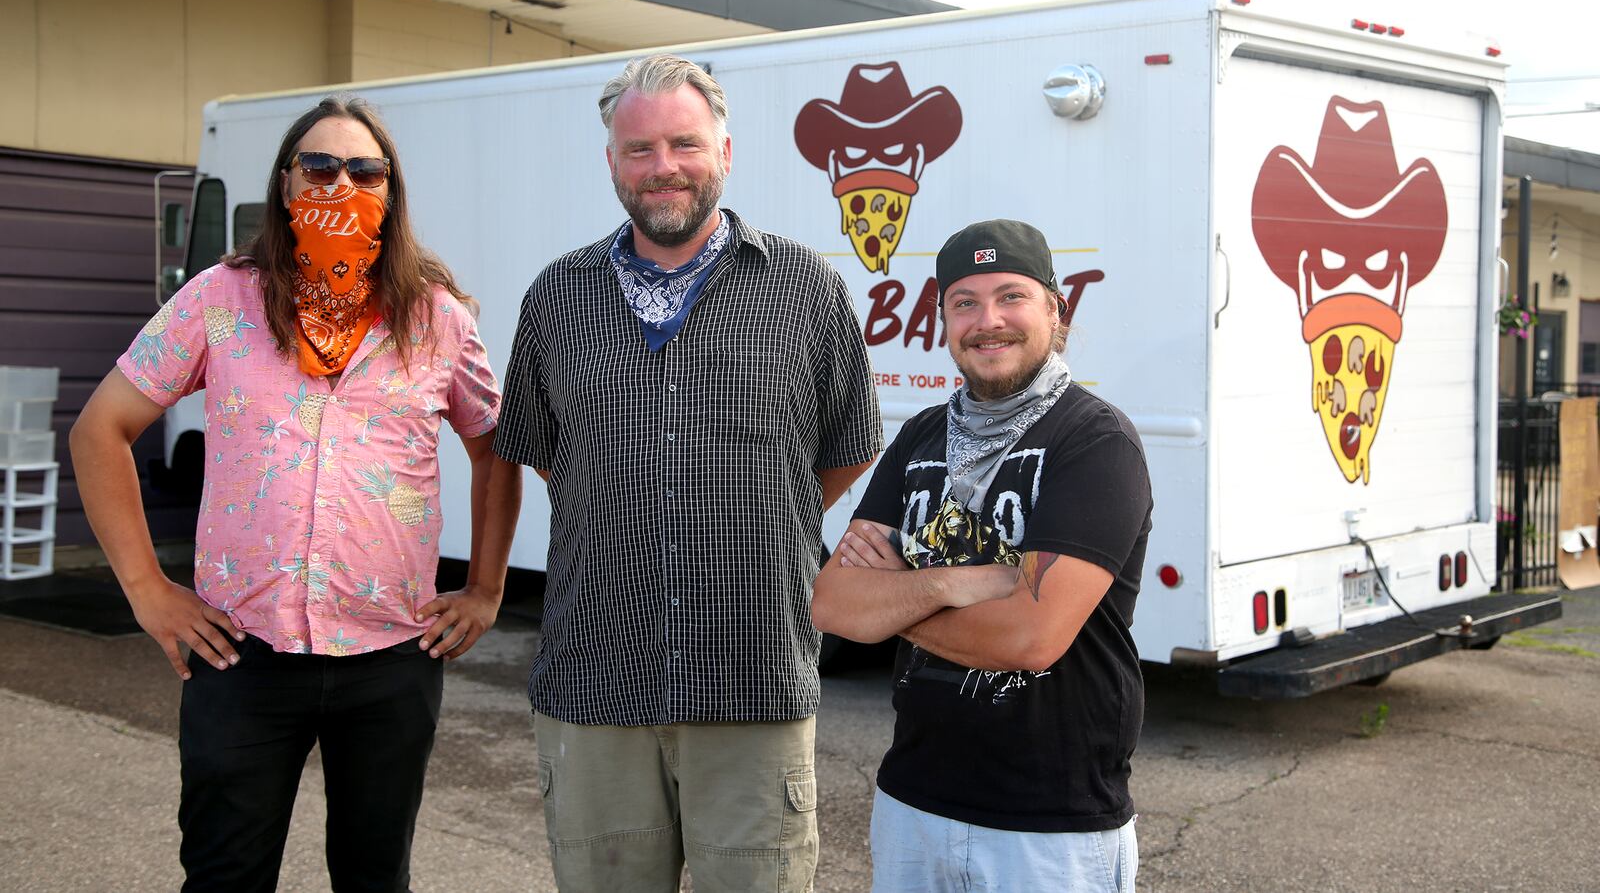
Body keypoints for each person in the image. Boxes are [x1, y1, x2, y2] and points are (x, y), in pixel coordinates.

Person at [70, 96, 523, 893]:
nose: (340, 183)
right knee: (223, 876)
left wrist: (486, 589)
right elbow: (99, 428)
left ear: (390, 190)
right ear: (285, 186)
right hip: (242, 654)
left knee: (374, 877)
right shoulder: (219, 300)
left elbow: (495, 448)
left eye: (364, 169)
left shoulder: (437, 319)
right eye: (319, 166)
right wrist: (147, 590)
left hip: (391, 656)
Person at [493, 54, 882, 892]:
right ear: (611, 163)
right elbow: (548, 454)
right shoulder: (556, 298)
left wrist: (758, 510)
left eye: (684, 143)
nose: (662, 166)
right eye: (639, 150)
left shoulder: (806, 289)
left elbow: (847, 445)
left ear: (726, 152)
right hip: (596, 678)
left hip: (754, 675)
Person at [811, 218, 1151, 893]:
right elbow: (833, 602)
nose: (987, 320)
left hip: (1051, 825)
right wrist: (960, 582)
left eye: (1010, 296)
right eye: (964, 301)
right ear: (942, 321)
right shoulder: (920, 436)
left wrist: (894, 595)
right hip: (911, 802)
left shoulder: (1094, 441)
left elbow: (1031, 635)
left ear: (1054, 309)